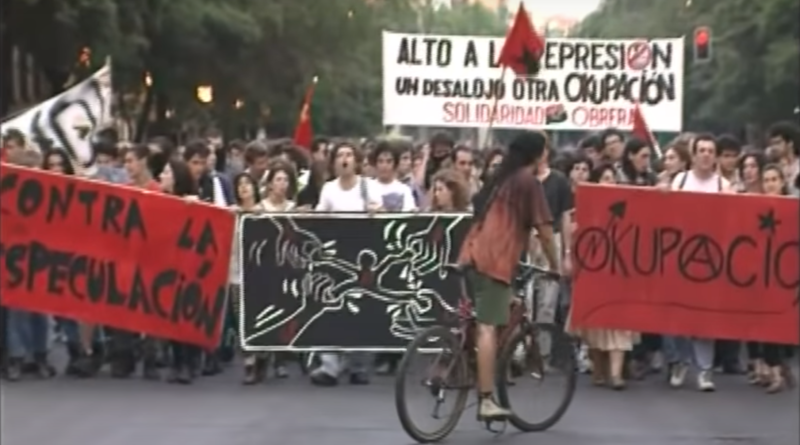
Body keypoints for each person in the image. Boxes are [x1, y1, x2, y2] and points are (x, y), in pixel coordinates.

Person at [457, 131, 557, 420]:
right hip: (494, 259)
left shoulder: (499, 179)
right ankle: (487, 400)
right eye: (545, 151)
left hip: (472, 253)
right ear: (537, 155)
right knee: (488, 327)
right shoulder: (528, 183)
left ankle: (473, 363)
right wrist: (555, 266)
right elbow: (547, 232)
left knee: (497, 310)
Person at [666, 134, 735, 392]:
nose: (706, 154)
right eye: (701, 150)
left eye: (710, 150)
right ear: (693, 155)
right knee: (678, 313)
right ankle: (681, 362)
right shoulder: (680, 181)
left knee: (706, 316)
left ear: (715, 156)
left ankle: (704, 370)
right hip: (680, 256)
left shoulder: (724, 186)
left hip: (711, 260)